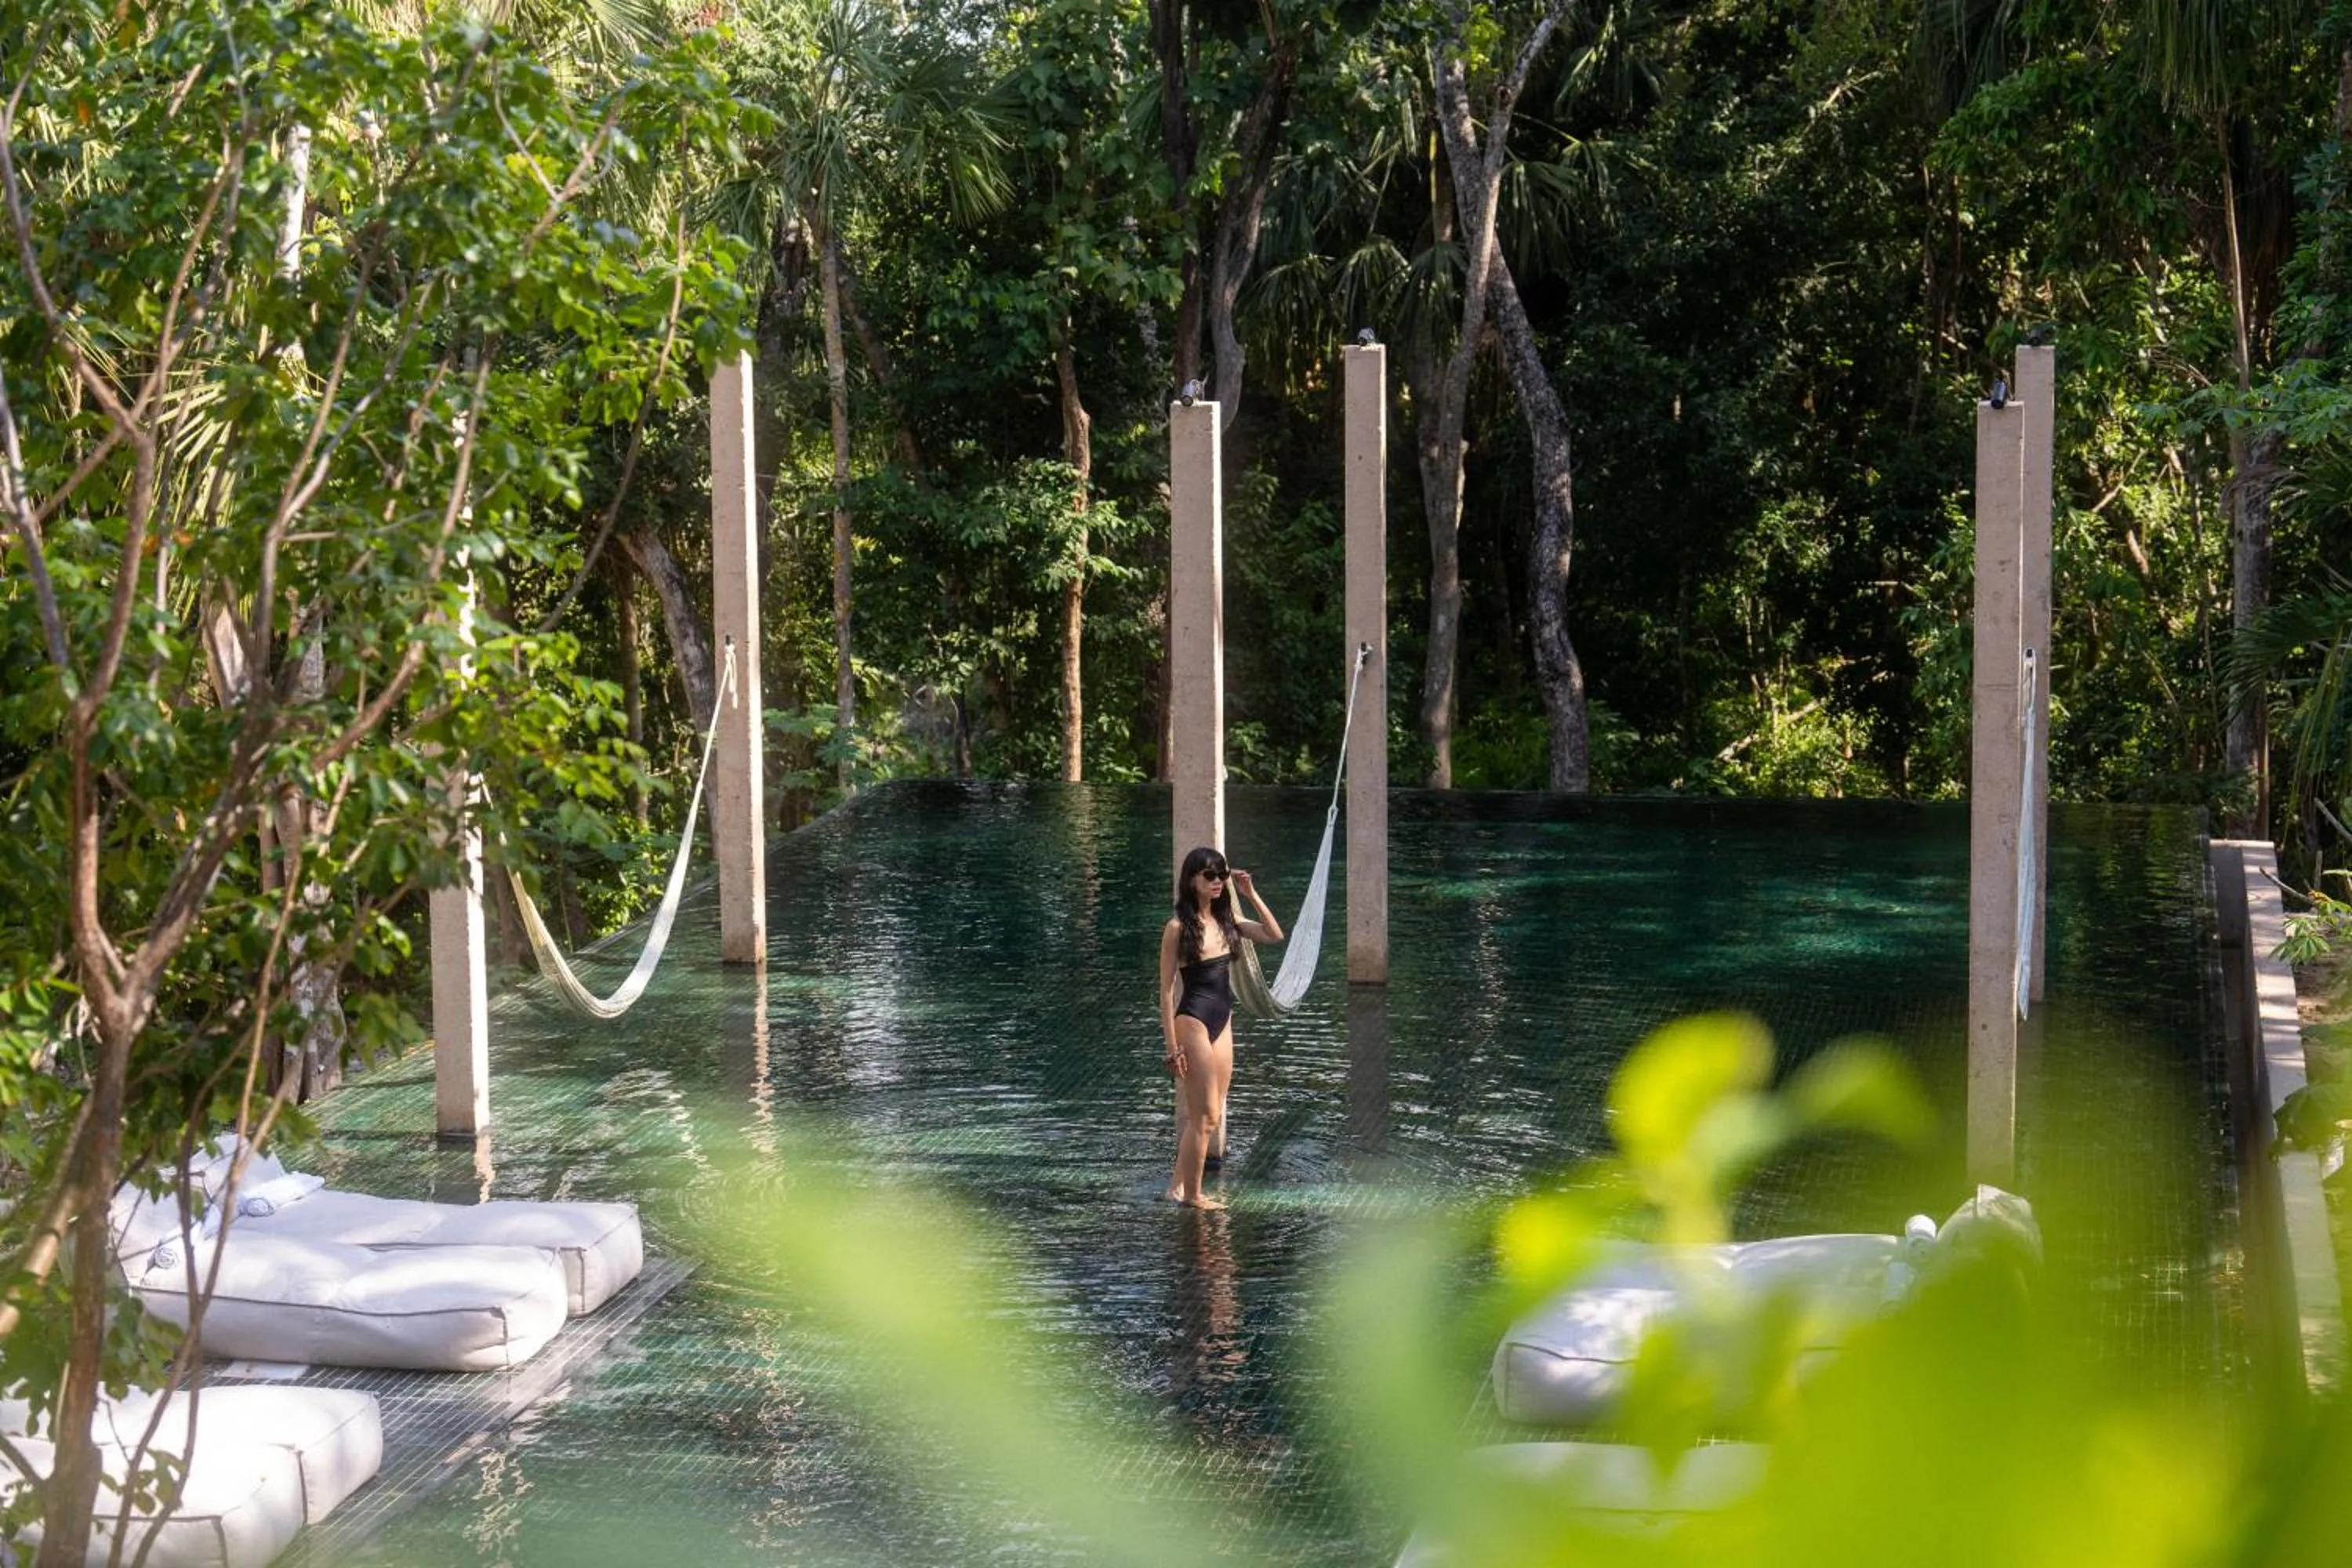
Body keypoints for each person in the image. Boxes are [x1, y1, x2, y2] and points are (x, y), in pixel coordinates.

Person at [1158, 845, 1283, 1208]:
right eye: (1209, 876)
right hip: (1193, 1019)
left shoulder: (1227, 921)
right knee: (1206, 1114)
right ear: (1193, 881)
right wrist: (1171, 1047)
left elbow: (1274, 935)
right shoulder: (1178, 928)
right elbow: (1165, 992)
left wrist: (1250, 893)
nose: (1217, 882)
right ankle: (1194, 1196)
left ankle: (1175, 1187)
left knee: (1211, 1114)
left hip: (1223, 1018)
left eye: (1221, 875)